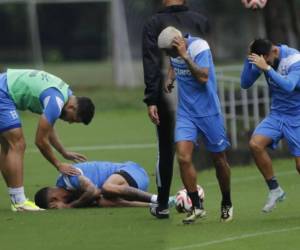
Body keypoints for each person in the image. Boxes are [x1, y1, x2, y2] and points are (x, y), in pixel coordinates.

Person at [158, 27, 233, 224]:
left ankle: (226, 201)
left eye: (169, 51)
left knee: (219, 159)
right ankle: (196, 207)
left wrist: (185, 56)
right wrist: (169, 77)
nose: (168, 55)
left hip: (209, 112)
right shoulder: (174, 53)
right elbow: (173, 64)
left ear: (178, 44)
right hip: (186, 113)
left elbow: (203, 77)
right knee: (183, 157)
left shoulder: (199, 47)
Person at [142, 0, 209, 219]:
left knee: (166, 148)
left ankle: (162, 205)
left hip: (167, 94)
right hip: (200, 93)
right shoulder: (200, 21)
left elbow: (151, 63)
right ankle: (218, 201)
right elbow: (208, 61)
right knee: (207, 148)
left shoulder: (153, 23)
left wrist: (151, 98)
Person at [0, 69, 95, 211]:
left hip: (3, 87)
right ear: (72, 107)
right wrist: (58, 164)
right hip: (3, 93)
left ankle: (16, 200)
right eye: (72, 119)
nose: (69, 122)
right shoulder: (56, 101)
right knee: (18, 144)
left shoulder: (65, 93)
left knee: (7, 146)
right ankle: (19, 203)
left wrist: (63, 152)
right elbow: (40, 141)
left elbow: (48, 128)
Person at [241, 38, 300, 212]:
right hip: (277, 115)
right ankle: (275, 189)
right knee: (255, 144)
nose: (266, 64)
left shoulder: (294, 59)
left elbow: (289, 86)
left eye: (267, 61)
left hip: (297, 117)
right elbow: (245, 83)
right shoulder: (264, 58)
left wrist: (266, 68)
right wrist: (248, 58)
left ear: (273, 51)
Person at [34, 160, 174, 209]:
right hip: (128, 187)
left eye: (54, 207)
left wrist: (70, 207)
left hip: (133, 171)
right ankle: (155, 204)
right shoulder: (70, 192)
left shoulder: (68, 178)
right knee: (102, 202)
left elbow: (93, 191)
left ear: (54, 200)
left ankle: (161, 199)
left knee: (105, 188)